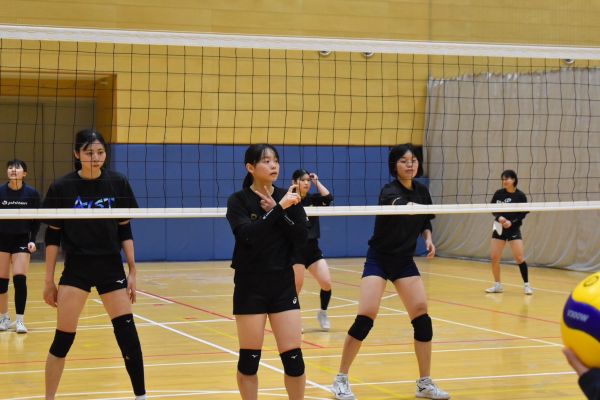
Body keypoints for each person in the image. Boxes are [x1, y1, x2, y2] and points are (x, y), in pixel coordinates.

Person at [331, 143, 450, 400]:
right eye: (404, 161)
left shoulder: (422, 191)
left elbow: (425, 220)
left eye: (413, 160)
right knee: (366, 316)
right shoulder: (389, 191)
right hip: (380, 259)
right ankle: (341, 378)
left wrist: (428, 238)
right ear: (394, 165)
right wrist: (413, 209)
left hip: (404, 260)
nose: (410, 164)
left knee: (422, 318)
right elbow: (402, 206)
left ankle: (424, 383)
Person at [42, 129, 146, 400]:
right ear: (77, 154)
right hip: (77, 267)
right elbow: (52, 237)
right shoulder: (62, 187)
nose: (96, 158)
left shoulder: (118, 182)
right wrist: (48, 281)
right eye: (89, 153)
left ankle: (141, 397)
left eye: (100, 152)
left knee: (128, 336)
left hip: (110, 266)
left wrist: (133, 270)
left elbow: (125, 230)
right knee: (63, 339)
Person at [226, 144, 308, 400]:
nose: (273, 165)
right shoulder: (238, 201)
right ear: (250, 167)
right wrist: (278, 209)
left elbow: (302, 237)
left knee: (294, 360)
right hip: (250, 287)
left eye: (276, 160)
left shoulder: (289, 196)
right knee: (249, 360)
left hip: (282, 285)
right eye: (266, 161)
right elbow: (248, 236)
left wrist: (279, 210)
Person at [0, 159, 41, 333]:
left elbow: (37, 219)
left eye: (17, 168)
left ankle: (20, 321)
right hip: (2, 240)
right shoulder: (1, 191)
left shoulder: (32, 193)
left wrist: (33, 239)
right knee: (1, 283)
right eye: (10, 167)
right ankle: (4, 318)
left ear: (24, 173)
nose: (13, 170)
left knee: (19, 279)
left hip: (21, 240)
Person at [291, 169, 333, 331]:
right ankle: (295, 320)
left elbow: (328, 198)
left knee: (326, 283)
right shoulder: (289, 200)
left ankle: (323, 313)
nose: (306, 183)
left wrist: (316, 181)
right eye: (303, 180)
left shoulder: (313, 199)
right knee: (297, 287)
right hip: (296, 249)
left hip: (312, 248)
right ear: (295, 182)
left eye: (308, 180)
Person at [485, 169, 532, 295]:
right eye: (503, 179)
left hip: (513, 228)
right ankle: (497, 285)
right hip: (498, 227)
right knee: (495, 257)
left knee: (519, 257)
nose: (504, 181)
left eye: (507, 179)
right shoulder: (499, 193)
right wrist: (499, 217)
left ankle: (527, 285)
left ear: (514, 180)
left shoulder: (520, 196)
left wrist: (512, 222)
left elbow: (523, 214)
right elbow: (493, 209)